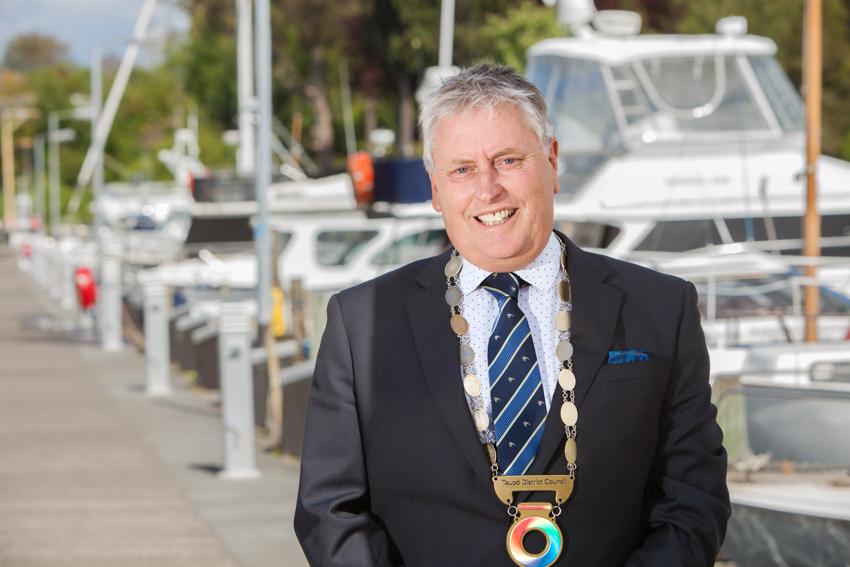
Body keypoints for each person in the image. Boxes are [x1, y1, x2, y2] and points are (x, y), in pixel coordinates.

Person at [294, 63, 730, 567]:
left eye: (507, 160)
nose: (488, 190)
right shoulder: (361, 323)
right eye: (462, 169)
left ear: (552, 161)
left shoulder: (660, 307)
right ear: (435, 189)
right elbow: (329, 511)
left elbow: (693, 498)